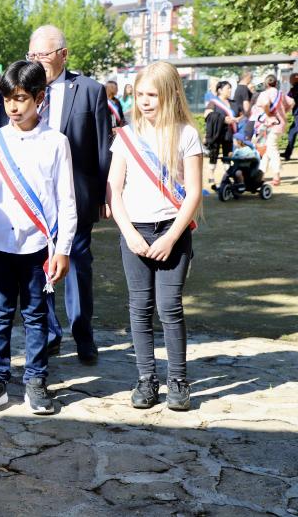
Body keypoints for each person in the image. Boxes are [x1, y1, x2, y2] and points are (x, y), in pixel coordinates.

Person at [0, 60, 77, 415]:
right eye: (7, 100)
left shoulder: (56, 142)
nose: (13, 107)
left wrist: (62, 249)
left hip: (37, 248)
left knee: (35, 315)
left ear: (39, 97)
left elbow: (66, 200)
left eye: (20, 99)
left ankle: (35, 380)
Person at [107, 61, 203, 411]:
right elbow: (114, 192)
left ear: (171, 95)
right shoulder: (127, 136)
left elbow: (193, 194)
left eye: (153, 95)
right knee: (140, 307)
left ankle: (178, 379)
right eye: (141, 94)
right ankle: (146, 378)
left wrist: (171, 237)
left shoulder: (186, 135)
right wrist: (129, 233)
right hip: (136, 232)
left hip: (172, 233)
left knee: (169, 307)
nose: (145, 101)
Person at [28, 25, 111, 365]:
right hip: (32, 198)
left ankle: (83, 334)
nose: (36, 61)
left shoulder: (90, 91)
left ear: (63, 54)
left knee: (77, 266)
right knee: (38, 267)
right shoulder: (24, 88)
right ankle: (49, 334)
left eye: (43, 55)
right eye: (31, 55)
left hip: (76, 198)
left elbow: (103, 147)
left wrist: (106, 193)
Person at [253, 74, 295, 186]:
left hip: (268, 125)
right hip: (279, 124)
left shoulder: (264, 94)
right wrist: (283, 112)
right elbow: (292, 102)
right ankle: (261, 174)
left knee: (271, 148)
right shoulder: (281, 94)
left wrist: (268, 113)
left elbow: (265, 104)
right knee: (266, 150)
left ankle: (276, 175)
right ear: (276, 83)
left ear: (266, 84)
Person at [204, 80, 241, 185]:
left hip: (229, 133)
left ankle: (226, 176)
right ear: (220, 90)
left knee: (228, 155)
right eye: (227, 88)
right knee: (213, 154)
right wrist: (222, 119)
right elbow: (206, 115)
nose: (230, 90)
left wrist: (238, 119)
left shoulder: (234, 103)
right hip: (216, 133)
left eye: (230, 88)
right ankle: (211, 176)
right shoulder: (213, 102)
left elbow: (242, 115)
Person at [283, 73, 298, 161]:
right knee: (292, 132)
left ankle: (287, 154)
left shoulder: (294, 89)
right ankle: (287, 153)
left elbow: (287, 99)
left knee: (292, 132)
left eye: (291, 79)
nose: (290, 81)